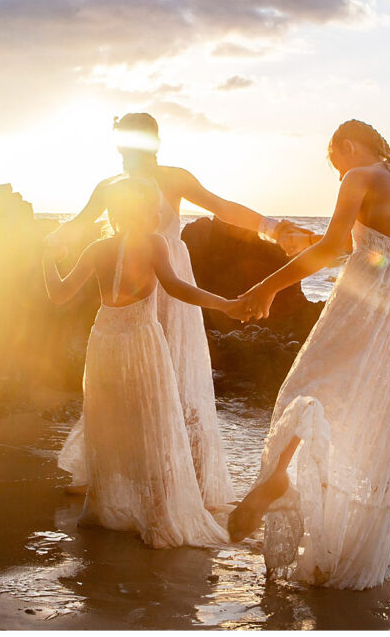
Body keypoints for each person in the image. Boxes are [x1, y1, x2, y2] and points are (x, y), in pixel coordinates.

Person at [52, 113, 316, 507]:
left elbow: (222, 207)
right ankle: (108, 471)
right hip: (133, 281)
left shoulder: (174, 177)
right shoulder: (110, 186)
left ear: (155, 142)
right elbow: (77, 225)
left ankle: (181, 474)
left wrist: (274, 228)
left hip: (170, 275)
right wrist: (49, 242)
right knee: (124, 374)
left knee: (174, 371)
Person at [227, 120, 390, 590]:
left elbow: (334, 247)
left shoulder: (361, 177)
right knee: (368, 409)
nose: (339, 177)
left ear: (348, 146)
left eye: (336, 164)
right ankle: (345, 535)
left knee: (309, 382)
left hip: (371, 288)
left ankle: (278, 476)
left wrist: (267, 286)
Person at [43, 177, 243, 548]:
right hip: (140, 340)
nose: (158, 212)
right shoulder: (154, 243)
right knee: (151, 422)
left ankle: (102, 509)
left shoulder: (97, 247)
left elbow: (58, 294)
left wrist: (46, 260)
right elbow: (177, 287)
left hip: (103, 341)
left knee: (109, 421)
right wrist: (225, 304)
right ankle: (156, 518)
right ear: (143, 210)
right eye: (153, 206)